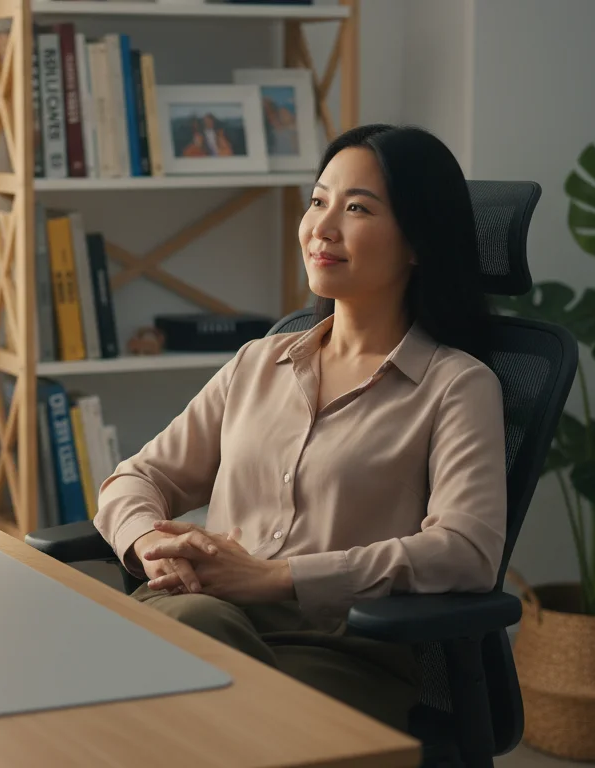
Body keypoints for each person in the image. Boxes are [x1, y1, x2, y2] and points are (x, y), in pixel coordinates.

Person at [92, 123, 506, 733]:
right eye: (318, 201)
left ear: (418, 242)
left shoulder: (456, 385)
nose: (322, 227)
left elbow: (466, 552)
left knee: (166, 668)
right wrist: (149, 544)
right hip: (198, 612)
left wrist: (274, 578)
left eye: (357, 208)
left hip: (335, 654)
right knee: (173, 636)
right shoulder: (260, 362)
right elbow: (139, 476)